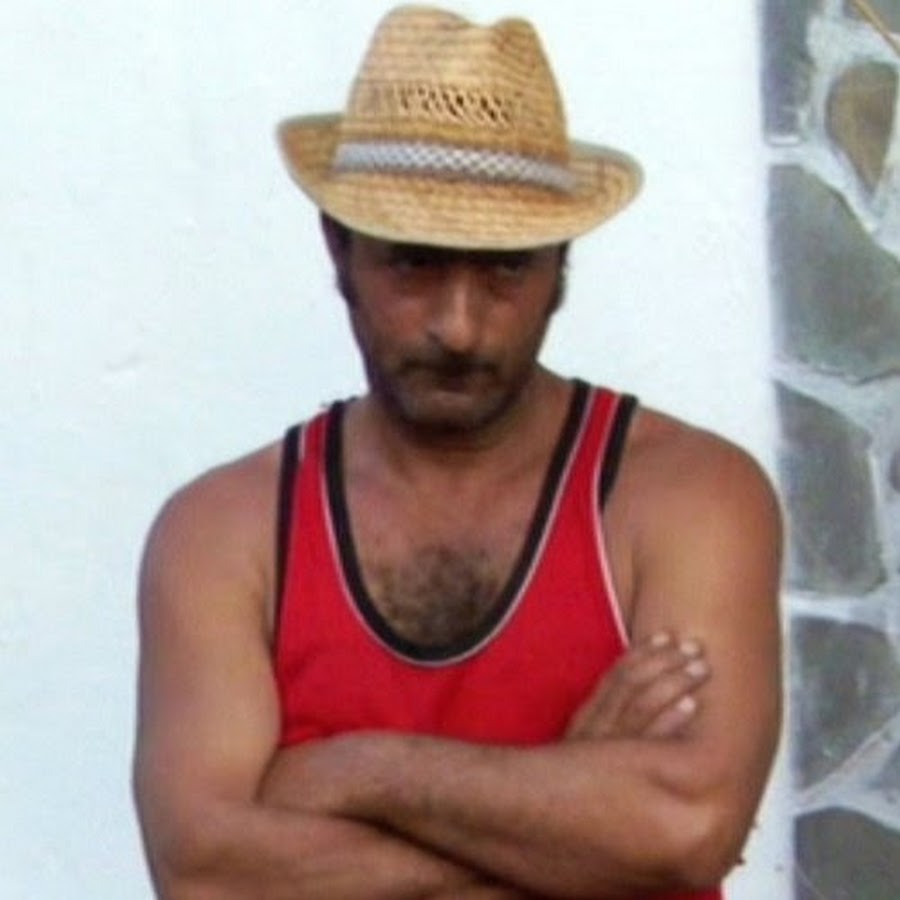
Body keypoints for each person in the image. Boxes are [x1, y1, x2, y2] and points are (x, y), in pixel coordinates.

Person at [133, 5, 782, 899]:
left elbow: (686, 830)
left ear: (561, 263)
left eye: (505, 267)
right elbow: (209, 879)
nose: (458, 326)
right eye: (414, 263)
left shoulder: (686, 496)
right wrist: (569, 814)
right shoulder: (224, 533)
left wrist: (356, 772)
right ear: (339, 249)